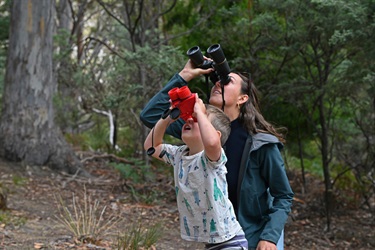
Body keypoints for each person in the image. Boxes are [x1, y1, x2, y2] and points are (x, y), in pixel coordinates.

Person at [140, 58, 294, 250]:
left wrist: (270, 237)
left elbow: (283, 195)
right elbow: (150, 116)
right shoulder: (197, 129)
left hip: (257, 235)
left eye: (227, 81)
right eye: (218, 80)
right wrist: (184, 76)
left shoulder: (261, 144)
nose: (218, 83)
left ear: (242, 98)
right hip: (218, 238)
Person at [144, 95, 248, 249]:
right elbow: (151, 147)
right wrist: (167, 117)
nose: (190, 120)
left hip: (230, 240)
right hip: (210, 243)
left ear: (216, 135)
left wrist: (200, 111)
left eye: (198, 119)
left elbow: (212, 143)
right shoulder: (178, 154)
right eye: (190, 117)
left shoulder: (212, 158)